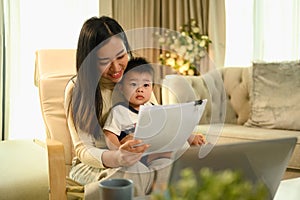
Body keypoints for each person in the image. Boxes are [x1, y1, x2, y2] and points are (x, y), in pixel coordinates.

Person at [64, 16, 205, 198]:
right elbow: (83, 150)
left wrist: (185, 135)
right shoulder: (78, 89)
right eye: (104, 61)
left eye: (121, 56)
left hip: (138, 157)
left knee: (172, 163)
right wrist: (117, 156)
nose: (116, 67)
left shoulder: (135, 76)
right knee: (134, 170)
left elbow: (157, 119)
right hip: (94, 165)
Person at [103, 57, 155, 150]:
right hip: (131, 154)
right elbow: (109, 134)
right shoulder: (119, 111)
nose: (140, 89)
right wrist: (119, 152)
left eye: (146, 85)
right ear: (121, 89)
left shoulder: (153, 109)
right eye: (133, 84)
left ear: (152, 89)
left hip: (151, 152)